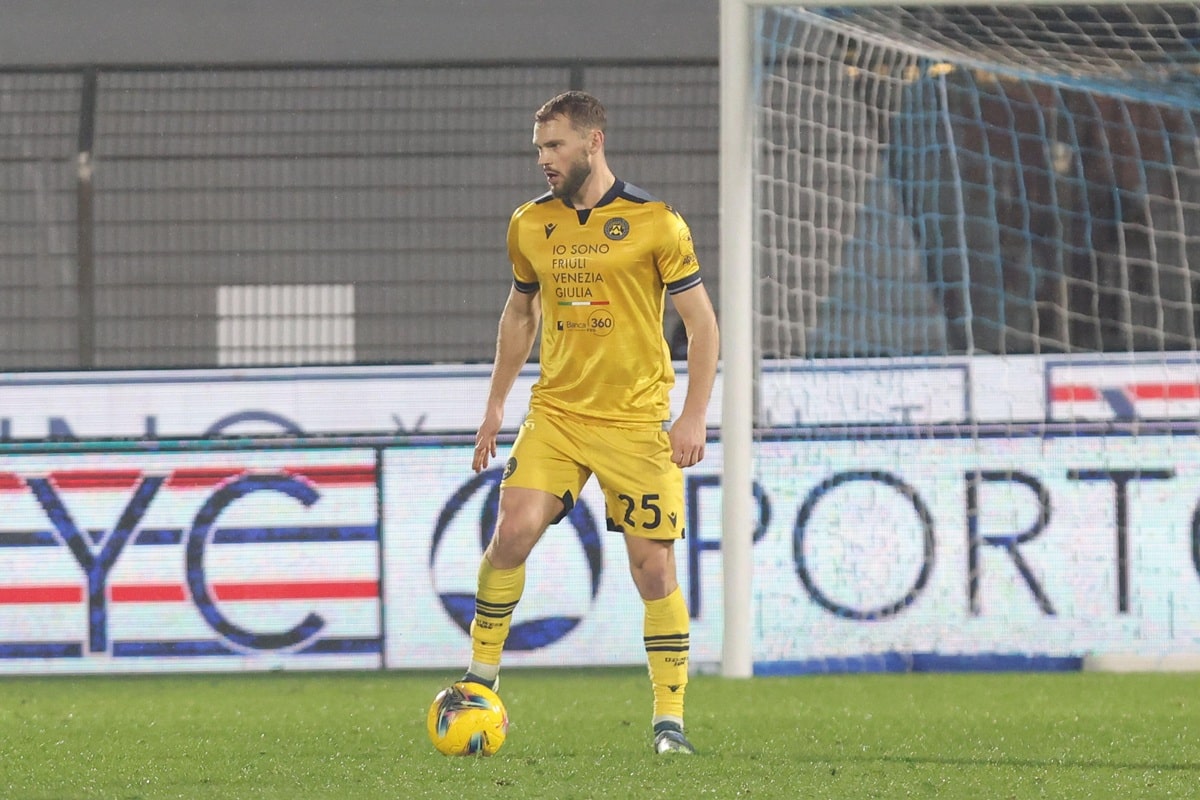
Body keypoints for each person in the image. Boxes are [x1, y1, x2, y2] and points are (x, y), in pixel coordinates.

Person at [456, 90, 719, 755]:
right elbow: (522, 315)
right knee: (511, 530)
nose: (544, 159)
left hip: (636, 423)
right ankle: (478, 682)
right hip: (559, 414)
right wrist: (495, 402)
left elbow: (702, 325)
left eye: (555, 146)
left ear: (593, 142)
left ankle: (669, 722)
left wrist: (691, 415)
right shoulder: (529, 224)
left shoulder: (656, 222)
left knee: (652, 571)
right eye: (539, 148)